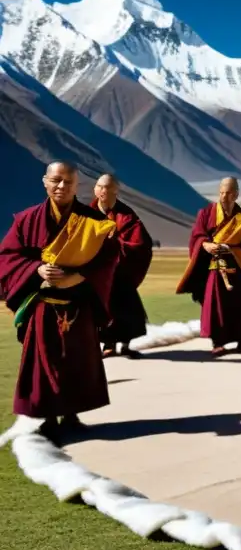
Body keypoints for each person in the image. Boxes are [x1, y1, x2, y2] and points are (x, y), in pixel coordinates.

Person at [0, 161, 118, 440]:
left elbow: (108, 259)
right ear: (45, 181)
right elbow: (7, 257)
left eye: (68, 182)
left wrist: (80, 276)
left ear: (78, 186)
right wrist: (36, 269)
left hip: (78, 302)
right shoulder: (26, 220)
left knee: (78, 359)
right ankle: (49, 416)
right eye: (56, 180)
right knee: (44, 360)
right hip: (42, 304)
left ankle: (72, 414)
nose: (61, 186)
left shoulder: (94, 222)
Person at [175, 177, 241, 357]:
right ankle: (217, 341)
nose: (224, 197)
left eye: (228, 193)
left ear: (236, 194)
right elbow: (197, 236)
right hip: (212, 265)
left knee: (238, 302)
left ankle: (239, 337)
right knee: (215, 303)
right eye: (221, 192)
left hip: (235, 264)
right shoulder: (206, 213)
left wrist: (230, 248)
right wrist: (205, 245)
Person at [91, 173, 154, 359]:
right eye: (100, 186)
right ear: (95, 189)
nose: (103, 191)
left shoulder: (127, 216)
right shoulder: (86, 214)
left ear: (116, 191)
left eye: (107, 187)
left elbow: (140, 243)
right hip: (100, 274)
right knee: (102, 310)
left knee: (127, 309)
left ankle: (126, 346)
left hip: (121, 273)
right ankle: (108, 345)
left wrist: (114, 245)